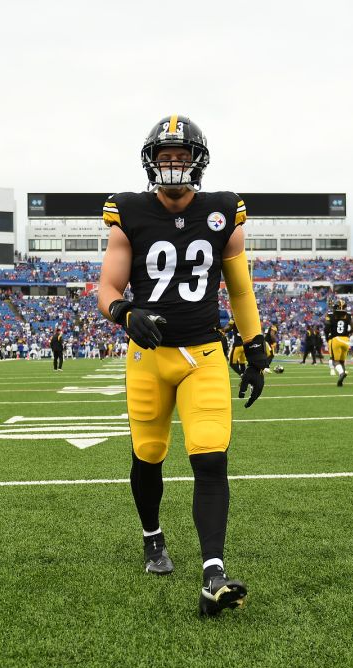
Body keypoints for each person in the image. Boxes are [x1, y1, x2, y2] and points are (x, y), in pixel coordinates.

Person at [96, 114, 266, 617]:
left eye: (181, 156)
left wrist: (253, 347)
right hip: (149, 358)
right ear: (152, 163)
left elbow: (239, 288)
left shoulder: (221, 211)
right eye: (165, 157)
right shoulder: (129, 212)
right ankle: (153, 537)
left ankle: (213, 570)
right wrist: (125, 312)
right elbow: (107, 289)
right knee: (148, 455)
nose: (173, 166)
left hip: (204, 355)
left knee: (210, 456)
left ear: (198, 161)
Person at [325, 298, 353, 386]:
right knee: (342, 361)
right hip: (346, 340)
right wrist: (347, 333)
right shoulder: (348, 315)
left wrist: (327, 337)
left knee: (335, 361)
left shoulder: (330, 314)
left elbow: (326, 327)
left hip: (335, 339)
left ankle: (341, 373)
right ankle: (341, 379)